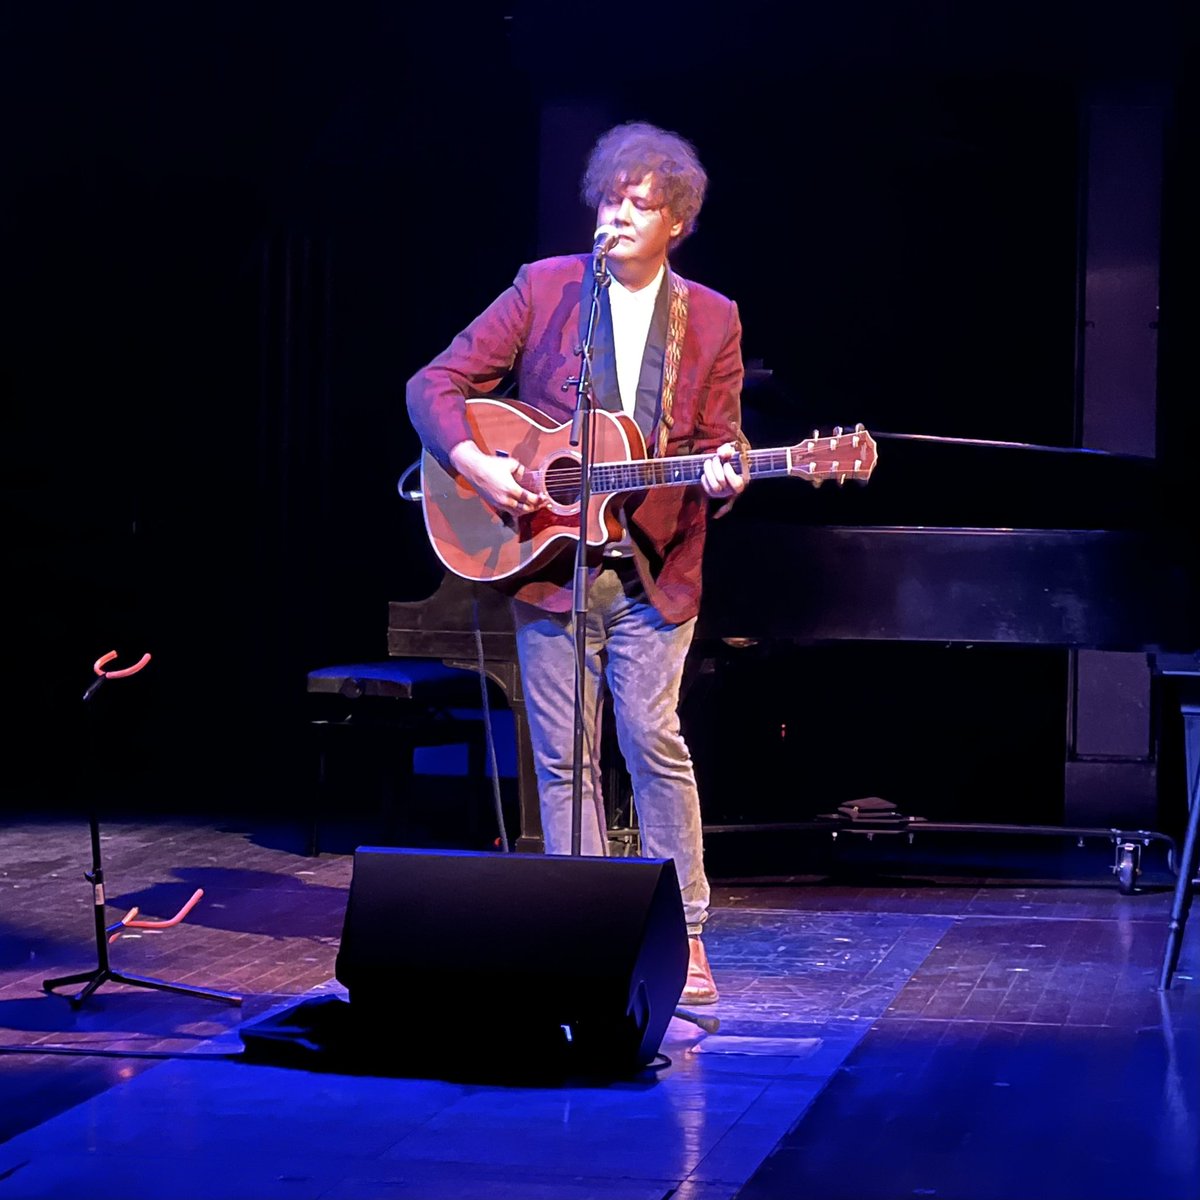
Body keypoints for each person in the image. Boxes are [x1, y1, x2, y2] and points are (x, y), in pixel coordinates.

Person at [406, 120, 746, 1004]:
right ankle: (581, 932)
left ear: (677, 220)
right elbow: (432, 384)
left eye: (642, 204)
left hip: (652, 571)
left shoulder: (710, 318)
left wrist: (727, 474)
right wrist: (475, 461)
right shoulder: (546, 288)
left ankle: (686, 936)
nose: (621, 215)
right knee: (560, 759)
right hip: (547, 565)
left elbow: (720, 448)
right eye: (611, 198)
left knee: (651, 742)